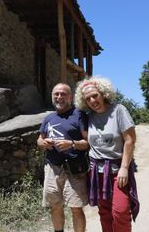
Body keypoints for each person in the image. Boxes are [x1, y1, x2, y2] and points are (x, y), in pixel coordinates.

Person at [74, 76, 140, 232]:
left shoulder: (118, 110)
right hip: (96, 172)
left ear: (103, 94)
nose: (92, 100)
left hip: (117, 171)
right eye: (88, 98)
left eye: (95, 95)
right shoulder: (88, 117)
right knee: (104, 213)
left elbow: (130, 140)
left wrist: (124, 167)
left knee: (120, 211)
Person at [37, 83, 89, 232]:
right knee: (55, 206)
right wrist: (43, 143)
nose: (59, 97)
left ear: (70, 97)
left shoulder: (79, 114)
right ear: (53, 96)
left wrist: (71, 144)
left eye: (63, 94)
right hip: (52, 168)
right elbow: (39, 139)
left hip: (74, 168)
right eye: (56, 94)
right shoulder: (48, 118)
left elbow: (87, 143)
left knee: (76, 208)